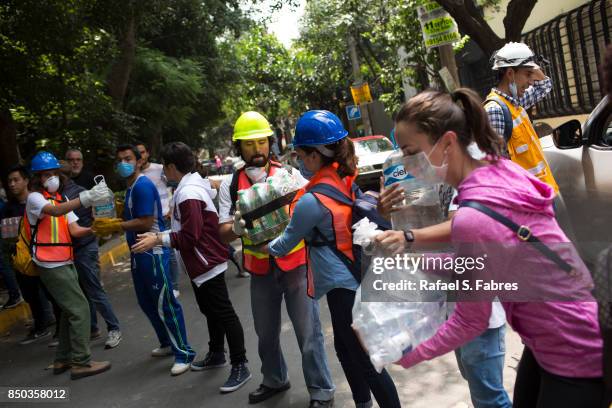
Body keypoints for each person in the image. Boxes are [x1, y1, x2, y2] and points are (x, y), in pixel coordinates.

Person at [375, 89, 605, 406]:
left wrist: (407, 352)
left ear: (447, 143)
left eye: (410, 151)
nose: (405, 163)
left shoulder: (473, 215)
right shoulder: (500, 171)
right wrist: (414, 258)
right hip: (564, 329)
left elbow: (472, 319)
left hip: (572, 349)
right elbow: (483, 261)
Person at [256, 110, 400, 408]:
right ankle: (363, 403)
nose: (297, 160)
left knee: (363, 357)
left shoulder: (312, 200)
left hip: (341, 285)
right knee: (346, 351)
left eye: (298, 154)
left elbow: (284, 244)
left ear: (312, 156)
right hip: (354, 276)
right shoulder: (343, 178)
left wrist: (260, 244)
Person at [377, 148, 511, 407]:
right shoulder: (409, 166)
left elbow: (461, 227)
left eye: (410, 145)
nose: (406, 154)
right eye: (402, 147)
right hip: (453, 296)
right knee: (476, 382)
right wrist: (386, 211)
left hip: (478, 301)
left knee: (489, 395)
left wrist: (408, 241)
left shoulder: (466, 167)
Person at [218, 111, 335, 406]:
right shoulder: (229, 186)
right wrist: (235, 228)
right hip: (259, 269)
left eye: (261, 142)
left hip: (296, 264)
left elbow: (314, 212)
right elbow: (222, 233)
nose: (257, 149)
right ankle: (274, 379)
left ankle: (321, 391)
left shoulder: (290, 176)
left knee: (309, 333)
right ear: (239, 148)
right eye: (249, 144)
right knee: (265, 334)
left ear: (270, 143)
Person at [132, 141, 251, 393]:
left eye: (165, 166)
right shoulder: (191, 185)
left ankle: (240, 364)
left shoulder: (188, 193)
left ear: (173, 167)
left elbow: (190, 236)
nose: (163, 171)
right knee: (210, 309)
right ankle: (217, 353)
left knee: (224, 313)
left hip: (206, 261)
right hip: (201, 262)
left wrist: (158, 238)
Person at [93, 144, 195, 376]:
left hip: (153, 252)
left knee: (164, 302)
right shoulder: (131, 188)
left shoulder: (143, 186)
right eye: (119, 159)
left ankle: (184, 352)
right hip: (139, 253)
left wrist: (116, 225)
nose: (123, 163)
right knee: (147, 303)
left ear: (139, 161)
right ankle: (168, 343)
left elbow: (146, 222)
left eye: (128, 158)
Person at [26, 151, 111, 379]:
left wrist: (99, 228)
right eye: (46, 175)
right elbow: (53, 212)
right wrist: (86, 198)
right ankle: (81, 362)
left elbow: (75, 229)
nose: (51, 178)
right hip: (49, 263)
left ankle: (62, 359)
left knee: (67, 311)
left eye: (55, 173)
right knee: (80, 309)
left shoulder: (61, 199)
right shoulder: (35, 198)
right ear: (36, 178)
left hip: (65, 260)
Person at [58, 161, 122, 349]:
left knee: (94, 290)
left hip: (84, 247)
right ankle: (92, 328)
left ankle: (114, 328)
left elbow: (79, 228)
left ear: (61, 176)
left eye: (50, 175)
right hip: (76, 249)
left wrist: (96, 229)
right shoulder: (72, 192)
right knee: (84, 292)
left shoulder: (72, 194)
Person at [485, 42, 558, 192]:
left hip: (542, 194)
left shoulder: (515, 103)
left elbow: (544, 85)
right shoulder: (495, 111)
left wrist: (531, 64)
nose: (531, 81)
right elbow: (495, 167)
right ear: (510, 74)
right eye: (527, 74)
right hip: (527, 202)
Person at [1, 165, 56, 344]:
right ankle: (40, 327)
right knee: (30, 294)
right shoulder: (8, 208)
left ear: (26, 181)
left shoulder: (39, 201)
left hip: (43, 254)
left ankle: (60, 328)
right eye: (9, 181)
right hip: (22, 259)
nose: (12, 184)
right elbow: (7, 234)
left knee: (51, 292)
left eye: (16, 180)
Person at [134, 141, 180, 298]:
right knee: (153, 253)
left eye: (142, 152)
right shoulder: (135, 175)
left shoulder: (159, 169)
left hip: (164, 216)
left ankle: (174, 286)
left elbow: (175, 185)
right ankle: (159, 284)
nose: (140, 156)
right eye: (137, 153)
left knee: (169, 251)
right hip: (146, 219)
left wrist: (172, 207)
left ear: (147, 153)